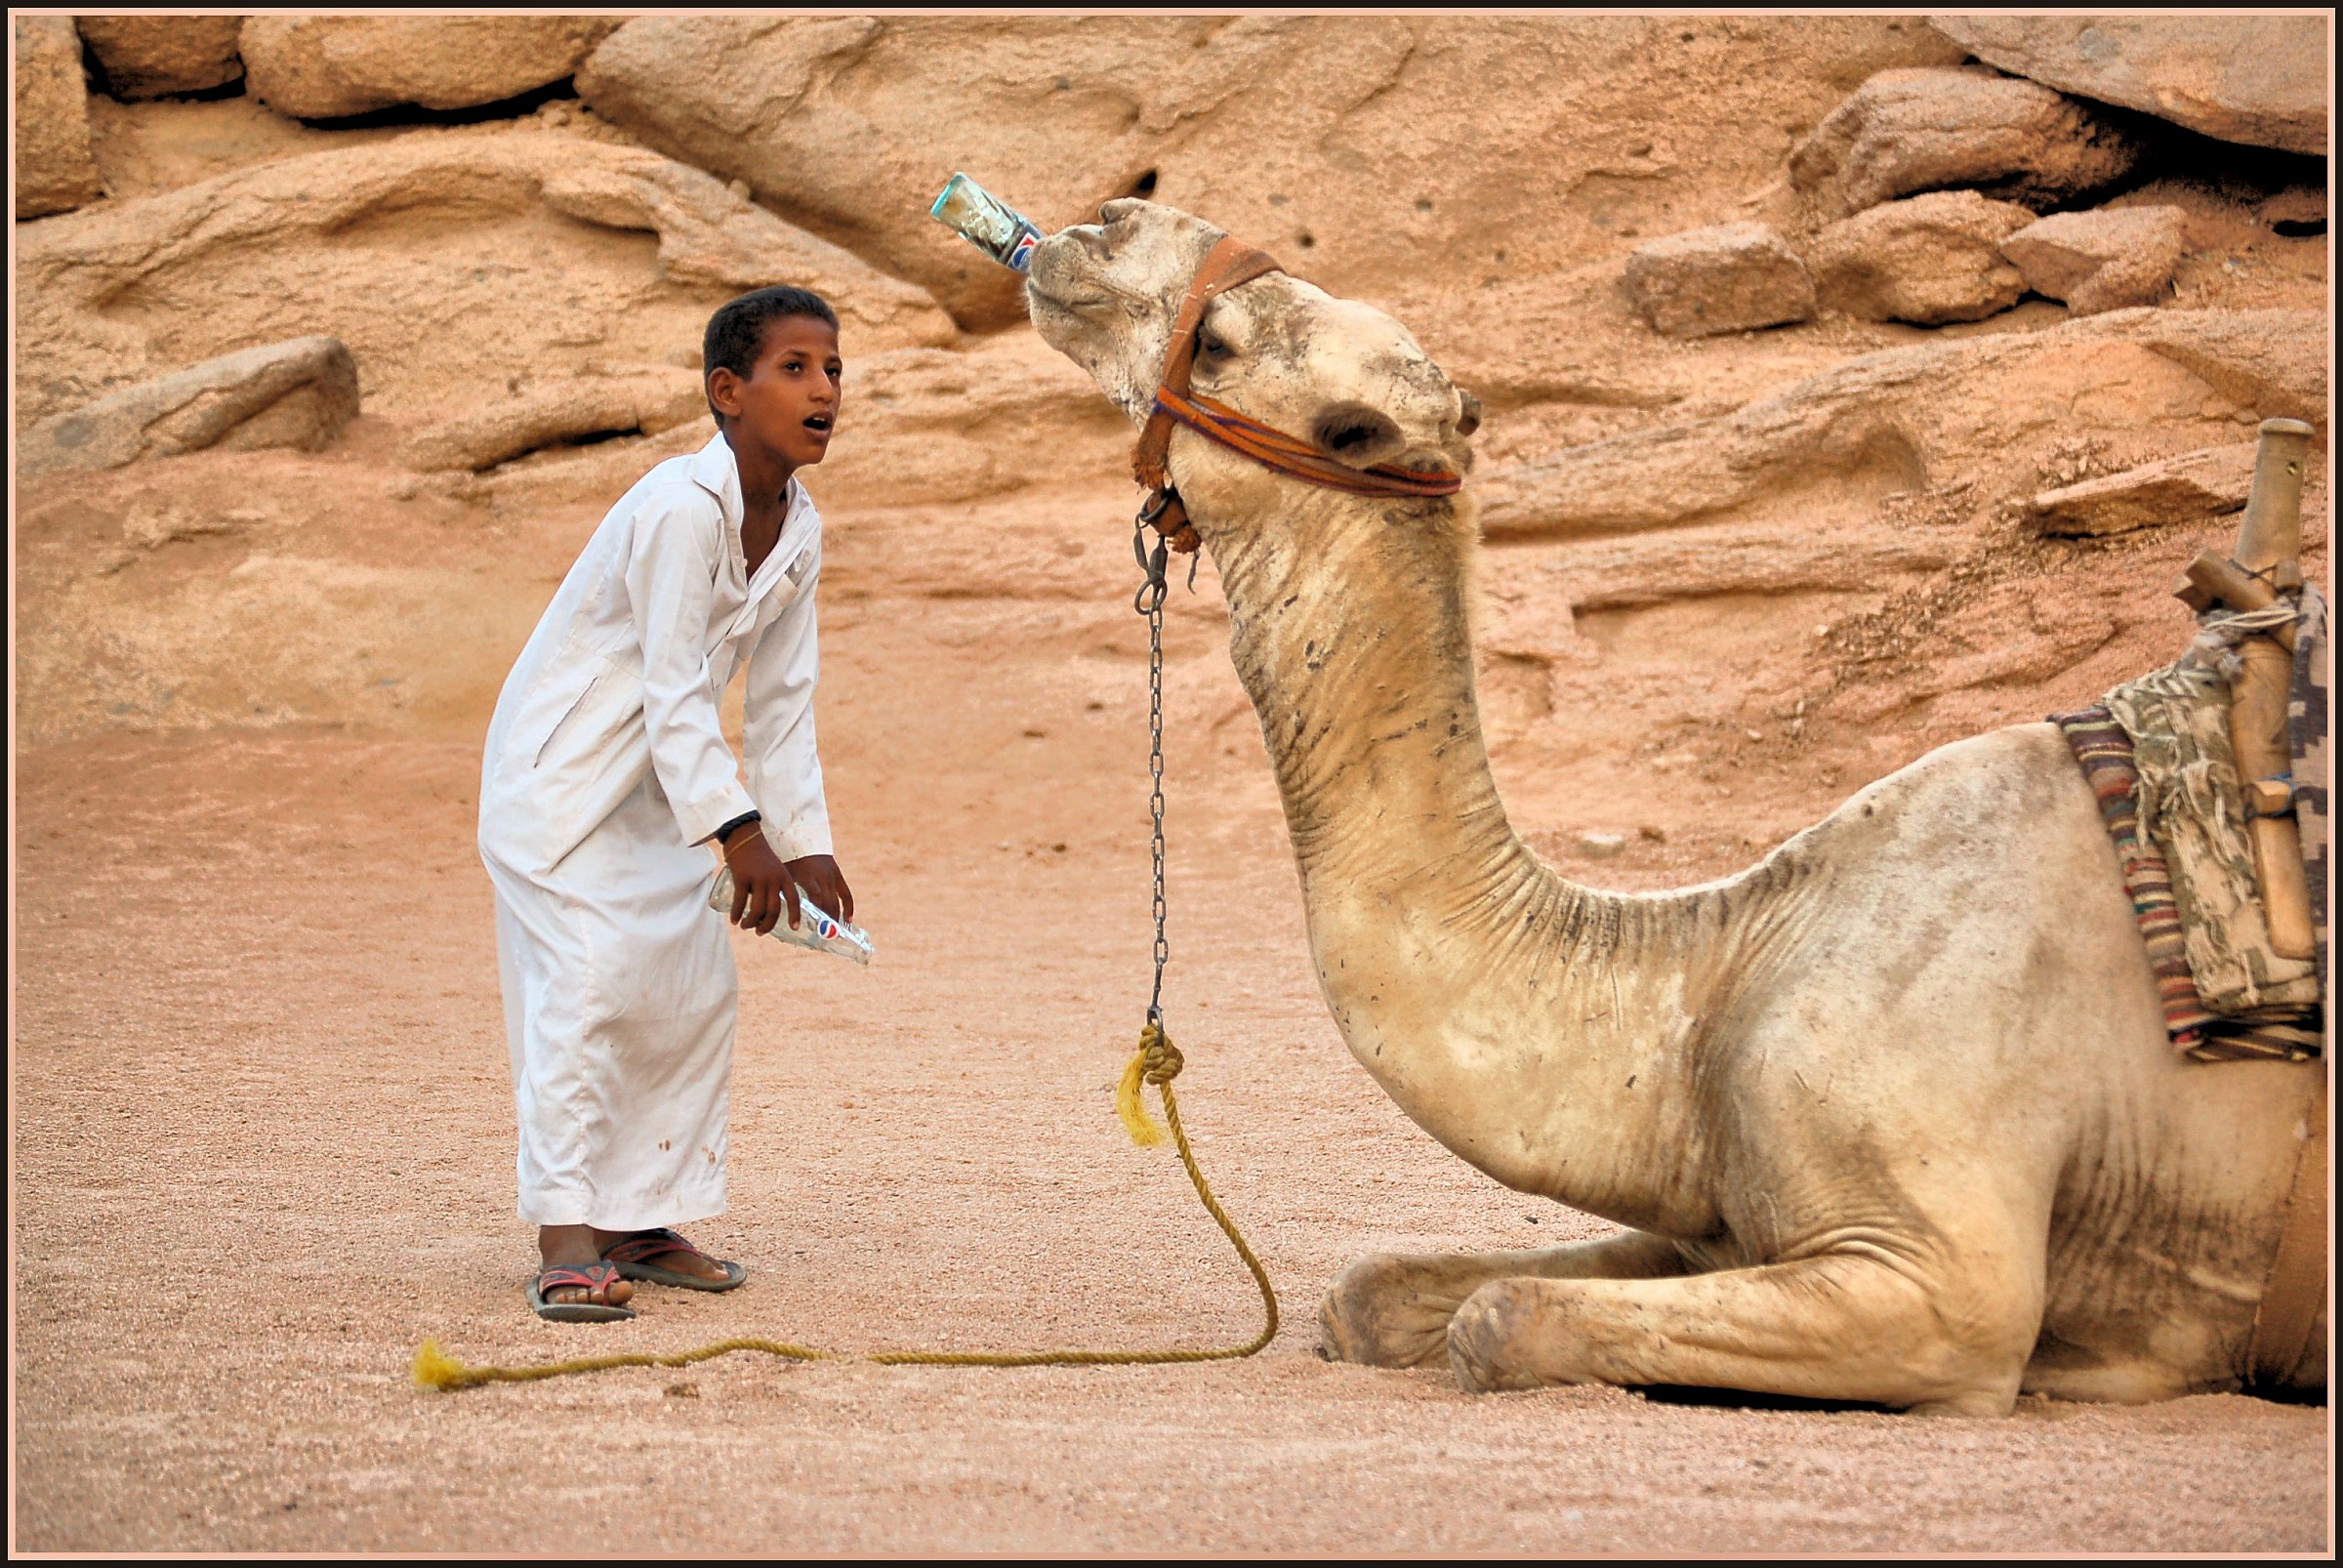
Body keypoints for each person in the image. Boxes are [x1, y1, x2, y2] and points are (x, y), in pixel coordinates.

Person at [476, 285, 856, 1321]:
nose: (824, 389)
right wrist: (741, 832)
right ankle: (564, 1235)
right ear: (726, 392)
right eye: (795, 368)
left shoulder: (801, 525)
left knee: (690, 988)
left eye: (833, 370)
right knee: (588, 992)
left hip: (657, 789)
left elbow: (781, 703)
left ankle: (637, 1220)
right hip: (557, 785)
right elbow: (673, 684)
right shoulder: (681, 509)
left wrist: (804, 842)